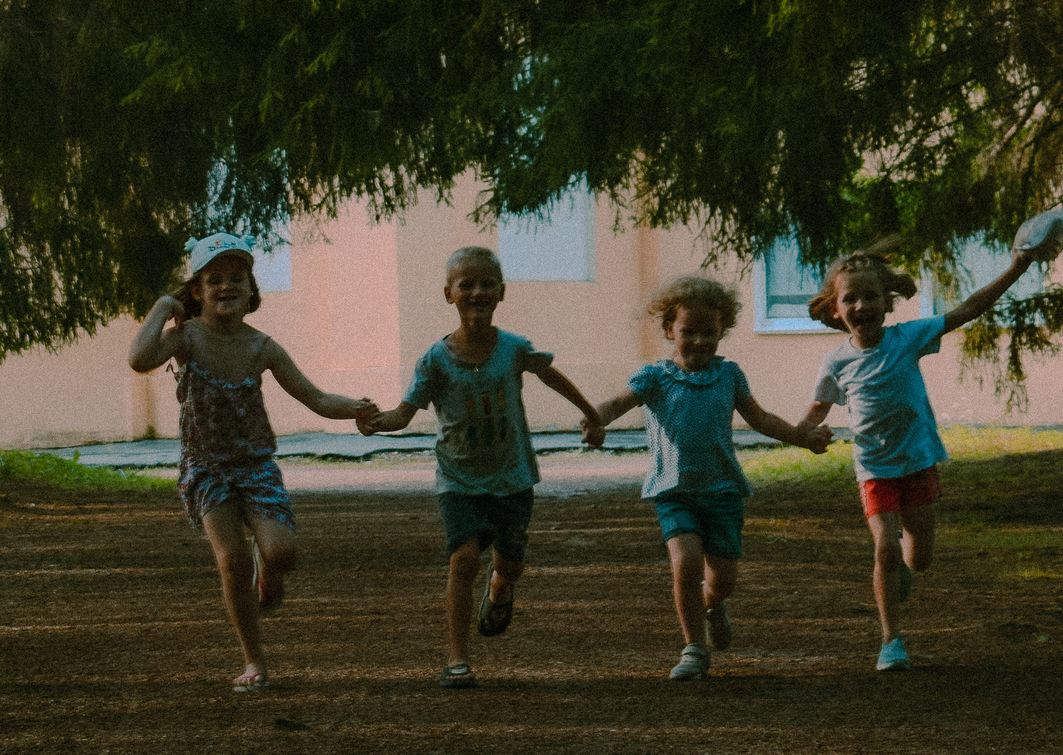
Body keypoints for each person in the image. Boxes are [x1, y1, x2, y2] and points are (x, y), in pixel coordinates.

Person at [130, 232, 379, 692]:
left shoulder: (263, 347)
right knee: (231, 561)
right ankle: (254, 659)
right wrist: (165, 305)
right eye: (214, 279)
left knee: (283, 552)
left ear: (251, 290)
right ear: (197, 291)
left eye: (237, 278)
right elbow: (138, 359)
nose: (227, 286)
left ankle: (271, 571)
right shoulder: (185, 339)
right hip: (206, 467)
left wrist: (359, 409)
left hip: (255, 466)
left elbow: (316, 397)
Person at [795, 237, 1046, 672]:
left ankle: (902, 573)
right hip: (873, 469)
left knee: (919, 557)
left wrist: (1018, 268)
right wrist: (801, 435)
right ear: (835, 309)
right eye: (849, 298)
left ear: (888, 303)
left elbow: (968, 309)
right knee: (885, 550)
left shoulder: (908, 338)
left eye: (870, 295)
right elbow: (817, 409)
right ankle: (891, 641)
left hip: (917, 462)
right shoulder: (836, 362)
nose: (860, 305)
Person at [358, 246, 605, 689]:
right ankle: (456, 658)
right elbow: (404, 413)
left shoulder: (513, 349)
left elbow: (550, 374)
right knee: (463, 558)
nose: (477, 292)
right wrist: (376, 423)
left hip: (512, 477)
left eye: (487, 283)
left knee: (510, 563)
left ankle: (501, 586)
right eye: (466, 284)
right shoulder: (435, 359)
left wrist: (591, 412)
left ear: (502, 292)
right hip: (458, 479)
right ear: (448, 293)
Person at [579, 275, 832, 680]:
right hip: (674, 491)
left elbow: (761, 419)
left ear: (722, 331)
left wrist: (802, 438)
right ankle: (693, 648)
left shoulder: (729, 375)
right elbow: (616, 403)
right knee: (686, 562)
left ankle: (713, 604)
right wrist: (596, 421)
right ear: (669, 330)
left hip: (722, 491)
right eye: (688, 332)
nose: (699, 341)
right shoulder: (654, 377)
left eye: (709, 333)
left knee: (723, 580)